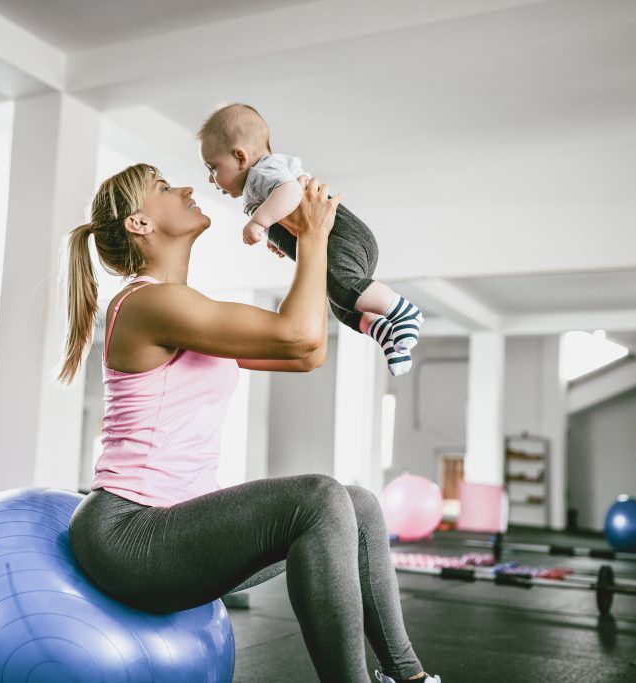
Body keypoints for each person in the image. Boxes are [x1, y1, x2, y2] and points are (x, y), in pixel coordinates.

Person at [59, 163, 439, 683]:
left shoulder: (188, 308)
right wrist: (313, 238)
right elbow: (298, 336)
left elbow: (308, 354)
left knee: (360, 504)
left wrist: (321, 258)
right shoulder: (149, 303)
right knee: (319, 497)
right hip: (130, 535)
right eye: (166, 189)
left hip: (174, 526)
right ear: (139, 224)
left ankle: (409, 677)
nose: (189, 189)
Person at [197, 103, 423, 376]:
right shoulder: (259, 180)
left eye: (212, 168)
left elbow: (290, 192)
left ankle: (405, 312)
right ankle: (387, 335)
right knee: (340, 305)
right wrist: (275, 236)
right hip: (338, 243)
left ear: (240, 156)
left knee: (343, 289)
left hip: (342, 235)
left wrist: (260, 221)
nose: (211, 179)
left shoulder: (262, 172)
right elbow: (288, 211)